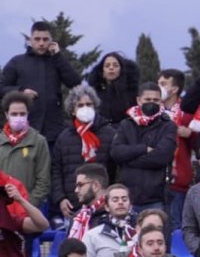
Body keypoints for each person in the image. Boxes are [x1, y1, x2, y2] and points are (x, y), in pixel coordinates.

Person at [0, 21, 82, 144]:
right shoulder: (17, 62)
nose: (41, 43)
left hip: (53, 129)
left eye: (45, 39)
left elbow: (75, 83)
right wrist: (21, 92)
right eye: (37, 39)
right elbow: (2, 87)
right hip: (24, 128)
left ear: (51, 41)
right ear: (30, 40)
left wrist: (58, 56)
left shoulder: (57, 61)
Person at [52, 84, 116, 227]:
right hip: (73, 206)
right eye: (80, 105)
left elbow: (116, 170)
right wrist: (60, 198)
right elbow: (56, 170)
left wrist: (112, 196)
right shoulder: (64, 137)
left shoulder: (109, 133)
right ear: (72, 110)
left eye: (89, 104)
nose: (85, 108)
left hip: (103, 206)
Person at [110, 82, 176, 212]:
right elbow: (116, 153)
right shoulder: (126, 124)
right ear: (139, 100)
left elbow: (162, 157)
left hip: (155, 198)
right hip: (128, 198)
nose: (152, 103)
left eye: (156, 100)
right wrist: (143, 149)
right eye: (148, 99)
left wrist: (128, 160)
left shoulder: (168, 126)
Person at [159, 68, 196, 229]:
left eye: (162, 84)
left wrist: (191, 134)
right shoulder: (151, 111)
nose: (158, 87)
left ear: (174, 89)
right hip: (154, 180)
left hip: (178, 180)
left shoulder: (186, 112)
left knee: (176, 225)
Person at [0, 92, 51, 203]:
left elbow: (43, 180)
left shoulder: (38, 141)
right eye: (14, 114)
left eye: (22, 114)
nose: (18, 117)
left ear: (28, 114)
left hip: (28, 209)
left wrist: (28, 204)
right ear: (6, 114)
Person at [83, 183, 134, 257]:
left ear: (130, 205)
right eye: (115, 200)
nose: (120, 202)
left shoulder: (140, 233)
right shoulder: (93, 235)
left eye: (124, 199)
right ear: (106, 206)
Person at [86, 52, 139, 126]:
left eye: (115, 65)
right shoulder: (94, 94)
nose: (111, 68)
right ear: (102, 72)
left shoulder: (131, 92)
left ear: (121, 70)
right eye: (107, 66)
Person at [64, 163, 109, 241]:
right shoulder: (77, 217)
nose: (76, 190)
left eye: (80, 185)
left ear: (95, 186)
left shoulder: (114, 215)